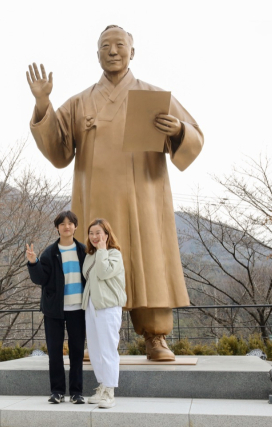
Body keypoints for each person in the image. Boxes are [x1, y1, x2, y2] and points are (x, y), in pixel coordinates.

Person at [26, 25, 204, 361]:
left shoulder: (154, 97)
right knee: (95, 263)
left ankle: (156, 337)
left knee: (146, 259)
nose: (112, 51)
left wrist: (178, 129)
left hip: (145, 200)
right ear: (97, 55)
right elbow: (58, 151)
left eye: (120, 45)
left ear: (132, 52)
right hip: (96, 202)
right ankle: (96, 338)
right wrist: (42, 104)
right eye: (105, 46)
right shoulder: (79, 103)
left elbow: (195, 138)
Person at [26, 211, 87, 404]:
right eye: (63, 223)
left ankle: (77, 392)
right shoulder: (50, 252)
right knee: (54, 351)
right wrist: (33, 262)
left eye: (70, 223)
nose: (67, 226)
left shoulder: (84, 251)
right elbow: (40, 278)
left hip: (79, 308)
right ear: (57, 227)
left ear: (75, 227)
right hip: (54, 310)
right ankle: (58, 391)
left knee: (77, 351)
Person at [82, 218, 126, 409]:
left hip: (108, 306)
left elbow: (102, 272)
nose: (94, 236)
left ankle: (110, 390)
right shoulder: (89, 256)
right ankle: (102, 385)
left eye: (98, 233)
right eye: (91, 233)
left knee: (108, 349)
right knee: (95, 349)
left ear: (107, 235)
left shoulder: (114, 254)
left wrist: (101, 250)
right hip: (92, 305)